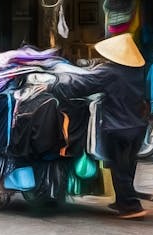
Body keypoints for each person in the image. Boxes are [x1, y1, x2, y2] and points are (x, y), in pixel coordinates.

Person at [55, 33, 148, 218]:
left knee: (119, 167)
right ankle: (122, 201)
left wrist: (57, 84)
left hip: (117, 127)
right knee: (127, 166)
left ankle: (132, 207)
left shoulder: (109, 72)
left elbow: (82, 85)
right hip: (138, 126)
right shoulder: (136, 72)